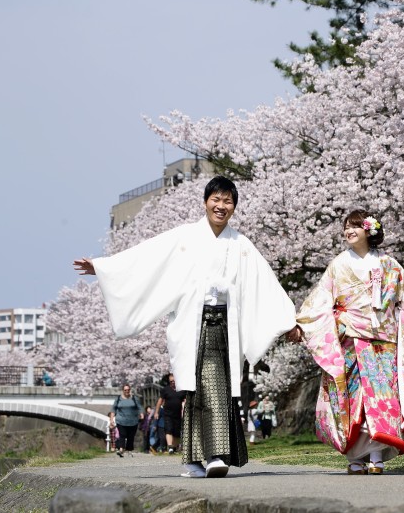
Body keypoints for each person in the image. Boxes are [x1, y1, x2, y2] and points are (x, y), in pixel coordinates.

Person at [74, 176, 299, 478]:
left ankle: (194, 459)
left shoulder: (241, 245)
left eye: (227, 201)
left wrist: (287, 320)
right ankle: (216, 454)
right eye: (216, 200)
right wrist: (104, 268)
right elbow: (146, 259)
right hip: (194, 324)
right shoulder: (184, 237)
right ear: (206, 202)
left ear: (234, 207)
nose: (221, 206)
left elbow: (264, 284)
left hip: (226, 326)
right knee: (208, 384)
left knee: (206, 389)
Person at [291, 210, 404, 475]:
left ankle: (376, 454)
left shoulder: (388, 264)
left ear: (368, 230)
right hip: (350, 338)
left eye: (355, 226)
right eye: (346, 227)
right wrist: (300, 324)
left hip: (383, 340)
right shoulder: (338, 265)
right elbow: (319, 299)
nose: (349, 231)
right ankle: (355, 457)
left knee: (382, 398)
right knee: (353, 398)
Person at [154, 373, 186, 454]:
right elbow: (160, 401)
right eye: (171, 381)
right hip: (167, 414)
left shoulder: (181, 390)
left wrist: (184, 410)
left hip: (178, 414)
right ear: (169, 381)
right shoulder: (165, 390)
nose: (173, 382)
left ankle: (174, 448)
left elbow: (184, 401)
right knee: (168, 429)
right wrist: (156, 412)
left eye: (174, 381)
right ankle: (170, 447)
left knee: (177, 432)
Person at [112, 384, 144, 457]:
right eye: (125, 390)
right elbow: (113, 409)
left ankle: (129, 450)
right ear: (123, 391)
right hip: (121, 420)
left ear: (130, 390)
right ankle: (121, 449)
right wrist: (111, 419)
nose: (127, 391)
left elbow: (139, 407)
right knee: (122, 434)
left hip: (132, 421)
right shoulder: (118, 399)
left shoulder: (134, 398)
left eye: (128, 390)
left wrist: (141, 413)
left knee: (131, 436)